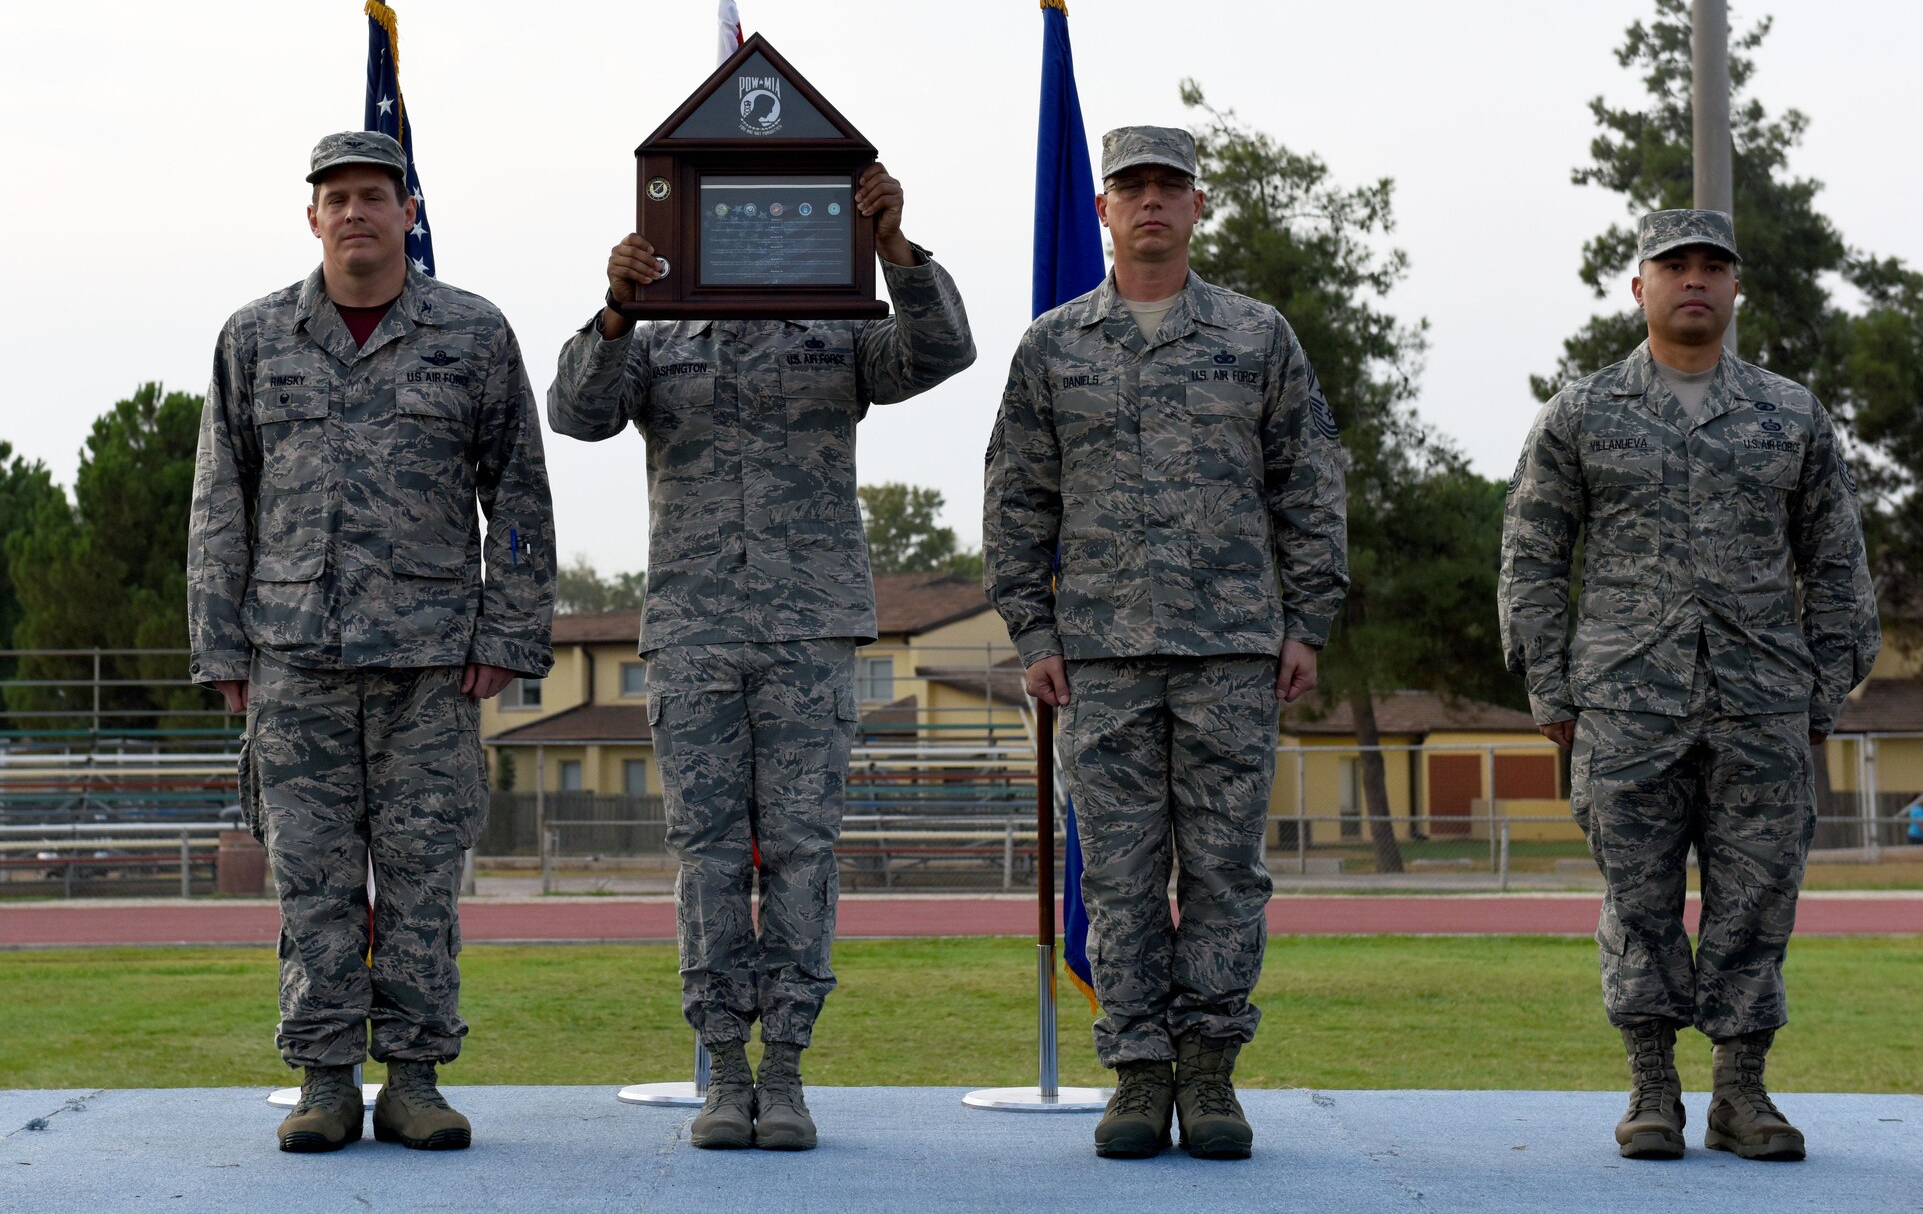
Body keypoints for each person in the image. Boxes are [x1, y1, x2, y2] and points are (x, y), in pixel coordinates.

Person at [546, 163, 973, 1152]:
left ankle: (783, 1070)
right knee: (704, 856)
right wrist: (614, 308)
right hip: (694, 631)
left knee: (801, 852)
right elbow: (577, 410)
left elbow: (941, 350)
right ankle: (722, 1070)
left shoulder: (835, 321)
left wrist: (893, 250)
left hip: (807, 628)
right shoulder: (653, 330)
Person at [983, 126, 1348, 1161]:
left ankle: (1211, 1072)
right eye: (1130, 187)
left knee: (1226, 869)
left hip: (1232, 647)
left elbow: (1307, 482)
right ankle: (1138, 1072)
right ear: (1101, 209)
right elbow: (1016, 498)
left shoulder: (1254, 336)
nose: (1150, 202)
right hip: (1098, 654)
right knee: (1122, 874)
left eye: (1168, 187)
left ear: (1197, 207)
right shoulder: (1053, 346)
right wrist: (1031, 628)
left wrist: (1306, 620)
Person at [188, 131, 556, 1153]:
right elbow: (223, 497)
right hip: (294, 656)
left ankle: (415, 1079)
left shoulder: (473, 336)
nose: (355, 212)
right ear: (311, 216)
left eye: (374, 195)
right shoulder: (255, 337)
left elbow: (516, 495)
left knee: (421, 880)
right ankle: (324, 1080)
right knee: (311, 879)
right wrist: (221, 649)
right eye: (336, 197)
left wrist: (510, 632)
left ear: (407, 211)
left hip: (432, 663)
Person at [1499, 208, 1880, 1163]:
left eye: (1714, 265)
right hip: (1628, 703)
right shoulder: (1582, 413)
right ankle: (1653, 1087)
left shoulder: (1790, 415)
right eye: (1675, 266)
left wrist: (1820, 694)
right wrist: (1552, 691)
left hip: (1762, 702)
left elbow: (1836, 563)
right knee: (1639, 900)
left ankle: (1741, 1092)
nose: (1695, 280)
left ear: (1737, 287)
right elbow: (1532, 558)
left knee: (1758, 899)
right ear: (1640, 287)